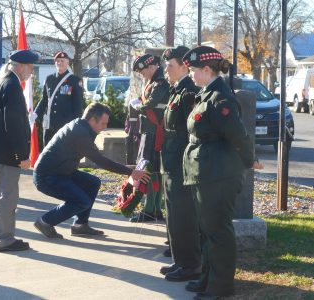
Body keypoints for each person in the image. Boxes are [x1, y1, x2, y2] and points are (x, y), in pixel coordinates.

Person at [181, 46, 258, 300]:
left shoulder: (220, 98)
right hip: (205, 172)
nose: (190, 74)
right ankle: (207, 279)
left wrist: (250, 160)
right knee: (206, 230)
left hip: (218, 174)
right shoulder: (206, 94)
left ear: (207, 70)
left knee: (217, 231)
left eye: (193, 70)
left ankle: (220, 287)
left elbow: (237, 134)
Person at [33, 102, 151, 239]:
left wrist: (129, 169)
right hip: (47, 176)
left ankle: (80, 225)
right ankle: (45, 222)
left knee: (92, 182)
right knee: (81, 201)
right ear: (92, 120)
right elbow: (100, 160)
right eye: (103, 123)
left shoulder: (83, 127)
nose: (105, 127)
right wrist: (131, 172)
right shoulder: (80, 133)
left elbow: (100, 158)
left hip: (62, 172)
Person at [0, 49, 38, 252]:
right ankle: (3, 239)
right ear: (21, 66)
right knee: (8, 197)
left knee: (3, 197)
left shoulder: (2, 79)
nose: (31, 72)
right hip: (6, 153)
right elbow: (13, 124)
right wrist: (22, 155)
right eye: (30, 67)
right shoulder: (12, 84)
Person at [158, 46, 202, 282]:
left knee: (184, 216)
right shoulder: (177, 90)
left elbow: (191, 133)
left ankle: (191, 265)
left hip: (182, 165)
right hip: (171, 162)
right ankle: (180, 260)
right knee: (174, 216)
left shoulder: (190, 92)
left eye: (170, 65)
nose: (166, 69)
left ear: (185, 66)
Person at [129, 54, 170, 222]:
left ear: (152, 66)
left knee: (151, 170)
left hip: (155, 132)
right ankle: (153, 209)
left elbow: (150, 104)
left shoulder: (160, 84)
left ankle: (150, 210)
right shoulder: (152, 82)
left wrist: (137, 105)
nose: (142, 74)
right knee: (152, 171)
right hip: (150, 131)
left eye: (143, 70)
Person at [34, 51, 83, 148]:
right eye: (57, 61)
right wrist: (35, 114)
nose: (59, 63)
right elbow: (44, 100)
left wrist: (75, 126)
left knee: (63, 153)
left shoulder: (75, 80)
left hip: (65, 125)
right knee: (47, 151)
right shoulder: (49, 79)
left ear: (67, 63)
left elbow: (78, 106)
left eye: (62, 61)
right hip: (49, 125)